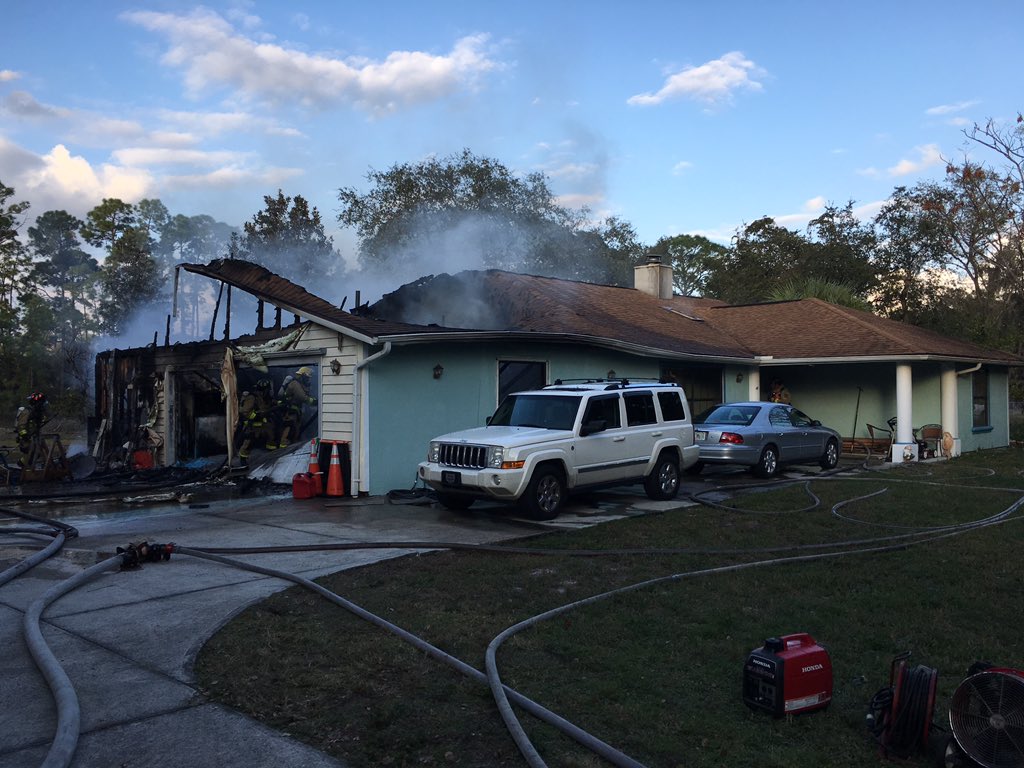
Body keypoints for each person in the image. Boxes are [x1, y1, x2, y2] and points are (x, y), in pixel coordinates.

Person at [275, 366, 317, 447]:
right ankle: (283, 445)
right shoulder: (295, 384)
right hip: (289, 409)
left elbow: (306, 395)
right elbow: (302, 397)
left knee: (295, 427)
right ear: (303, 376)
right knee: (289, 425)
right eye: (307, 378)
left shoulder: (300, 384)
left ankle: (292, 443)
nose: (308, 380)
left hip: (295, 409)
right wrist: (315, 402)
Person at [237, 378, 275, 465]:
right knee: (249, 442)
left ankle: (273, 454)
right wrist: (255, 415)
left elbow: (266, 407)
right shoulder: (252, 397)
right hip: (252, 425)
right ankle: (243, 459)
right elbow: (244, 411)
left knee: (271, 434)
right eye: (267, 390)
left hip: (263, 424)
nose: (268, 392)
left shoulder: (264, 397)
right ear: (263, 389)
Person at [15, 391, 49, 466]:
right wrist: (25, 436)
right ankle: (21, 464)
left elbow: (41, 421)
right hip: (26, 440)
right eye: (41, 403)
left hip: (34, 438)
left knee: (38, 453)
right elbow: (21, 426)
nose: (42, 405)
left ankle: (29, 468)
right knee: (34, 452)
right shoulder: (27, 411)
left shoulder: (37, 413)